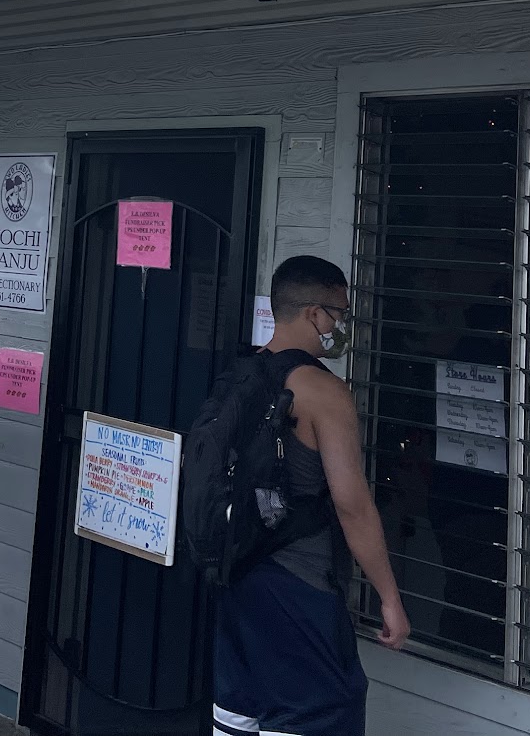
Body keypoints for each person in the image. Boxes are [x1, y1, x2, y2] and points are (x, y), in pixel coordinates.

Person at [214, 256, 410, 736]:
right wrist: (389, 597)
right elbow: (352, 504)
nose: (340, 325)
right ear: (313, 314)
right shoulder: (324, 391)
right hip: (300, 582)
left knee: (238, 711)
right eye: (339, 314)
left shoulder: (239, 377)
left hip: (236, 572)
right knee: (319, 711)